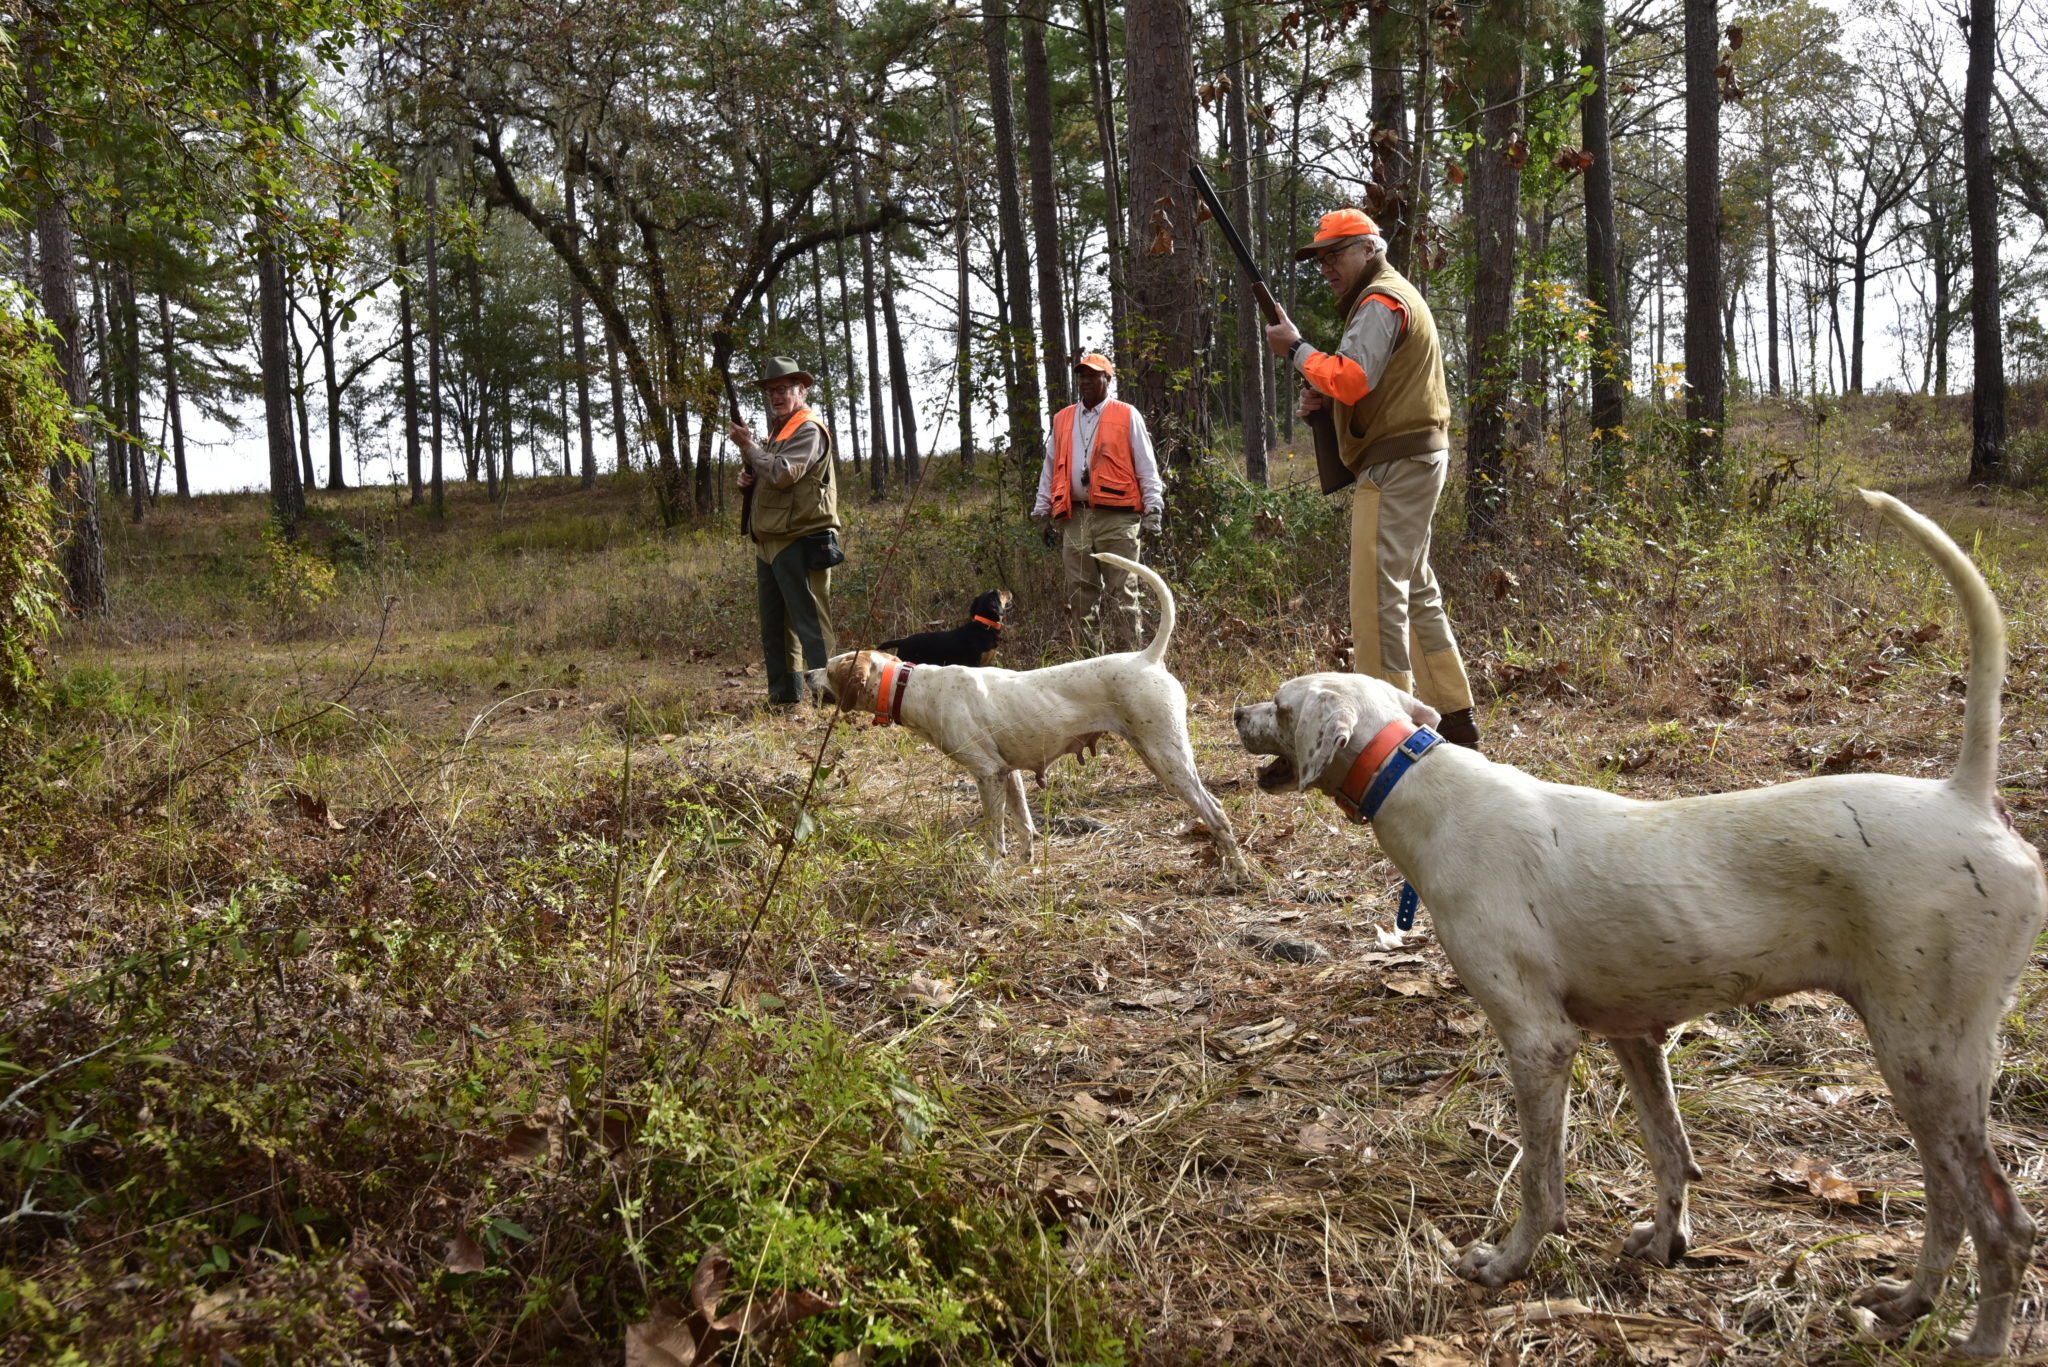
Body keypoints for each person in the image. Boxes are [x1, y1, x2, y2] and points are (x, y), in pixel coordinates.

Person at [1262, 209, 1481, 749]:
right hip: (1413, 458)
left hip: (1396, 465)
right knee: (1416, 591)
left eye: (1335, 254)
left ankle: (1388, 738)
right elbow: (1363, 385)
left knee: (1377, 601)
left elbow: (1354, 376)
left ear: (1369, 249)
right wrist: (1326, 399)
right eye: (1320, 259)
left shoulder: (1380, 300)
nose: (1326, 267)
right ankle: (1454, 719)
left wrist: (1297, 350)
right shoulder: (1387, 296)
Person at [1031, 353, 1165, 650]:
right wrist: (1041, 511)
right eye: (1082, 376)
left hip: (1118, 519)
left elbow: (1146, 466)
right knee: (1080, 598)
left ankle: (1129, 665)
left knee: (1123, 595)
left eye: (1093, 376)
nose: (1086, 381)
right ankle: (1092, 667)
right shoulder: (1063, 418)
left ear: (1108, 379)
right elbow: (1050, 468)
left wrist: (1153, 507)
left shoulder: (1126, 414)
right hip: (1075, 518)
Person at [730, 354, 841, 709]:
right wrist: (749, 480)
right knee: (775, 626)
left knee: (811, 624)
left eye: (783, 389)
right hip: (770, 540)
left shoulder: (808, 429)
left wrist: (749, 448)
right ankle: (784, 697)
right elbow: (771, 474)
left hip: (799, 539)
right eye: (771, 391)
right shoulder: (779, 431)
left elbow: (782, 473)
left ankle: (831, 698)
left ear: (801, 390)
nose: (776, 396)